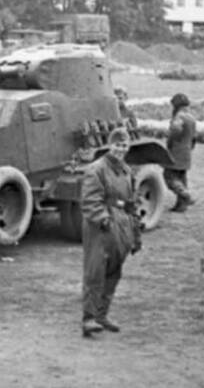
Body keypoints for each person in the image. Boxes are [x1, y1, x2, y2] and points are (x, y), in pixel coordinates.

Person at [80, 128, 141, 338]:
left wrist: (135, 234)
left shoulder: (126, 171)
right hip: (101, 227)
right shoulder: (95, 169)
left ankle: (102, 315)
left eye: (124, 145)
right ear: (109, 145)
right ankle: (88, 319)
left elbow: (132, 204)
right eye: (117, 144)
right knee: (95, 271)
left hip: (122, 225)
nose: (120, 149)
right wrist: (103, 220)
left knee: (114, 272)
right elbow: (90, 201)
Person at [165, 92, 197, 213]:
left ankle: (187, 195)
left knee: (169, 176)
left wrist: (171, 139)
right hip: (187, 151)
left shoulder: (179, 116)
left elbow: (175, 129)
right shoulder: (191, 118)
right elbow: (194, 138)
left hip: (176, 151)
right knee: (181, 178)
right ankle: (181, 205)